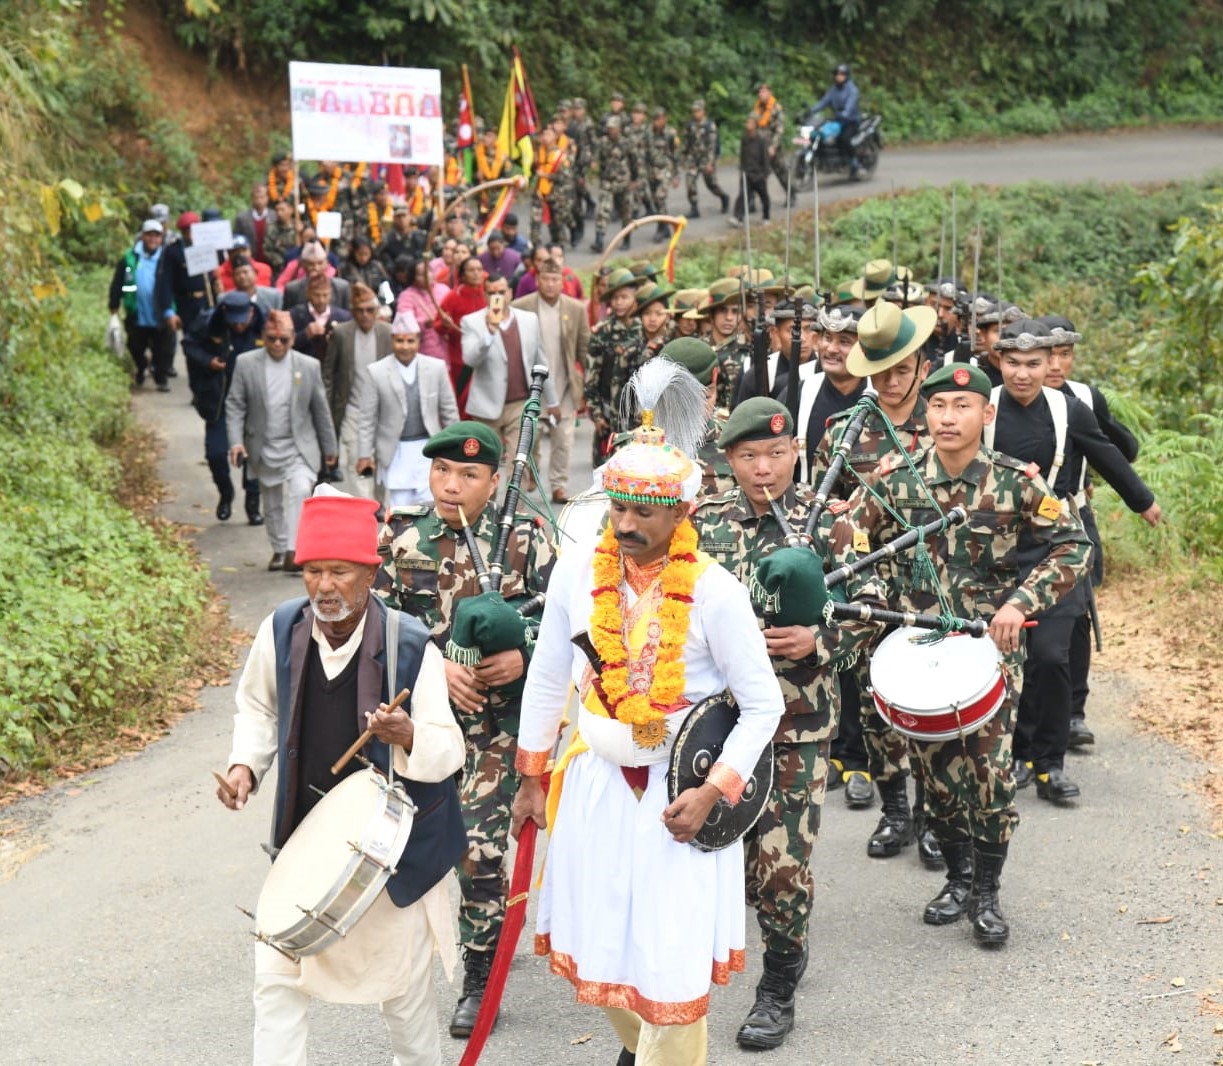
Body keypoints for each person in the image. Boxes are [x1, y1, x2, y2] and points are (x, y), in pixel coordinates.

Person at [510, 405, 784, 1065]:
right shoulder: (576, 576)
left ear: (681, 516)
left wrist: (714, 792)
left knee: (669, 957)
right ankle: (639, 1050)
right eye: (618, 509)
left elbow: (763, 704)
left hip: (678, 796)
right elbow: (547, 677)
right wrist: (530, 775)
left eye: (644, 513)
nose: (626, 525)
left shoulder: (716, 593)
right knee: (601, 945)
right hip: (594, 785)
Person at [829, 362, 1092, 945]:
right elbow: (848, 538)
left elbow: (1073, 547)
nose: (949, 417)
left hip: (989, 652)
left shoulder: (1014, 480)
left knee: (992, 779)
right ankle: (957, 877)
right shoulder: (896, 478)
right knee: (938, 780)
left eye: (962, 407)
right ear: (926, 413)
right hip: (917, 654)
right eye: (939, 406)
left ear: (986, 414)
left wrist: (1020, 603)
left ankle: (988, 894)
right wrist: (869, 589)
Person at [216, 487, 467, 1066]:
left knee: (404, 1001)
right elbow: (258, 707)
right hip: (309, 843)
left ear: (370, 573)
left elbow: (448, 749)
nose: (324, 586)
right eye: (313, 571)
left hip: (392, 853)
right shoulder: (281, 630)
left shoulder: (410, 646)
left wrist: (406, 735)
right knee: (275, 982)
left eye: (339, 572)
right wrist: (243, 766)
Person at [693, 398, 883, 1050]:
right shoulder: (700, 524)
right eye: (748, 456)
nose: (763, 467)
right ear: (728, 460)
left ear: (795, 454)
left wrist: (819, 638)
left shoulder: (829, 522)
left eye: (775, 454)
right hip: (715, 721)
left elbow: (874, 604)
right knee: (719, 854)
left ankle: (777, 983)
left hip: (797, 722)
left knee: (780, 865)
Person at [376, 422, 555, 1039]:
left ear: (495, 480)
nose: (452, 486)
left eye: (469, 475)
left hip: (499, 728)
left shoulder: (528, 540)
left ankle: (480, 975)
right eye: (442, 472)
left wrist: (524, 654)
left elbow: (568, 622)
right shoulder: (402, 540)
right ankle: (414, 958)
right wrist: (437, 665)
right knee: (418, 848)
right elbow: (379, 630)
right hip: (424, 724)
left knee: (479, 852)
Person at [985, 318, 1159, 802]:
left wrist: (1143, 502)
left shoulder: (1068, 409)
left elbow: (1107, 456)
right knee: (1008, 658)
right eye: (1013, 363)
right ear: (1000, 362)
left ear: (1049, 365)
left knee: (1052, 657)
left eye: (1034, 364)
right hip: (996, 551)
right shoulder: (985, 407)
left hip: (1058, 546)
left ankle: (1049, 762)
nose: (1023, 374)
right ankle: (1016, 754)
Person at [814, 301, 941, 864]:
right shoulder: (844, 433)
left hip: (934, 590)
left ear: (921, 364)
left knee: (934, 710)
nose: (890, 382)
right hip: (872, 595)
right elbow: (825, 515)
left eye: (901, 369)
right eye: (880, 371)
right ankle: (896, 813)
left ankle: (937, 818)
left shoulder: (944, 425)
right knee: (877, 707)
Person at [1039, 314, 1139, 750]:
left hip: (1074, 516)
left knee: (1077, 616)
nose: (1058, 364)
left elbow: (1121, 449)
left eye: (1065, 354)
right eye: (1051, 355)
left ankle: (1074, 710)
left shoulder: (1084, 397)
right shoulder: (1011, 396)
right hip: (1019, 521)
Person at [226, 310, 338, 572]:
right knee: (272, 501)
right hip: (263, 446)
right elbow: (234, 405)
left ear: (292, 339)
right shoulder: (245, 363)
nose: (277, 344)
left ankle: (294, 550)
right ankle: (278, 549)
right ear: (263, 337)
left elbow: (320, 409)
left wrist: (329, 446)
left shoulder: (308, 366)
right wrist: (235, 442)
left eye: (284, 339)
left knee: (301, 489)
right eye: (271, 338)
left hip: (298, 445)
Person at [357, 311, 460, 506]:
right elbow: (367, 419)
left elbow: (449, 411)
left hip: (428, 448)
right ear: (392, 340)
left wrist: (454, 447)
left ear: (418, 341)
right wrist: (364, 455)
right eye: (400, 341)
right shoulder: (376, 371)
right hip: (395, 451)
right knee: (400, 508)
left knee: (430, 504)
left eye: (410, 341)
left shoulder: (435, 368)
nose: (405, 347)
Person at [182, 290, 265, 525]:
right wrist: (208, 361)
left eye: (243, 320)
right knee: (215, 453)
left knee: (255, 455)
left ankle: (252, 501)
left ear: (250, 311)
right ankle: (225, 493)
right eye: (234, 321)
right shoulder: (208, 322)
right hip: (219, 400)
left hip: (253, 402)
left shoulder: (262, 322)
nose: (239, 326)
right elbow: (189, 344)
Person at [460, 271, 560, 462]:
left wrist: (553, 401)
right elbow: (470, 359)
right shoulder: (471, 322)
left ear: (510, 293)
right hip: (486, 407)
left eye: (501, 291)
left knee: (519, 462)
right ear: (485, 295)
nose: (497, 297)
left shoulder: (529, 320)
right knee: (486, 465)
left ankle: (516, 493)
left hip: (520, 404)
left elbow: (541, 360)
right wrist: (489, 334)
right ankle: (490, 493)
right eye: (491, 293)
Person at [512, 258, 590, 503]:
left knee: (563, 440)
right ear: (537, 281)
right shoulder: (520, 307)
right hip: (530, 388)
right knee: (529, 437)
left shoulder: (575, 309)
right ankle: (528, 477)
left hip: (564, 383)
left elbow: (583, 347)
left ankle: (559, 485)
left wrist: (587, 380)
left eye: (555, 279)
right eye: (545, 279)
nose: (549, 284)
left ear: (562, 282)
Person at [323, 282, 393, 493]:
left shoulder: (388, 333)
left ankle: (379, 505)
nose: (365, 315)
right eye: (359, 311)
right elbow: (328, 374)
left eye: (370, 310)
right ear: (352, 312)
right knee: (356, 460)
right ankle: (366, 506)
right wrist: (328, 409)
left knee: (383, 460)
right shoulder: (341, 333)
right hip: (351, 410)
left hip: (383, 410)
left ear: (377, 310)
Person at [583, 267, 646, 458]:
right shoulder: (602, 333)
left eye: (624, 297)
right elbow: (591, 377)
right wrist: (596, 415)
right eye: (615, 297)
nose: (619, 302)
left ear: (635, 297)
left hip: (640, 418)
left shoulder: (644, 329)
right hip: (609, 418)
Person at [108, 219, 177, 391]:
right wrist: (114, 303)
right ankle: (141, 367)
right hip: (137, 311)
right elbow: (118, 282)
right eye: (149, 235)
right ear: (143, 236)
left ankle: (161, 378)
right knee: (135, 346)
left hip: (161, 312)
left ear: (162, 238)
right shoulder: (129, 258)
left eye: (157, 235)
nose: (153, 239)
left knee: (164, 349)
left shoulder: (168, 258)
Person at [438, 255, 487, 405]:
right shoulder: (453, 297)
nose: (476, 273)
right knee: (462, 400)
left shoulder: (489, 294)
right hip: (460, 359)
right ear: (463, 274)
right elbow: (438, 324)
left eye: (479, 269)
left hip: (486, 357)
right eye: (471, 270)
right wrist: (446, 324)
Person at [590, 116, 640, 254]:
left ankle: (626, 239)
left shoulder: (627, 142)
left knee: (626, 211)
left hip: (624, 181)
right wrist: (593, 164)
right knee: (603, 210)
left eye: (613, 128)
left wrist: (634, 180)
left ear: (619, 128)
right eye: (609, 128)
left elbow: (634, 161)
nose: (611, 131)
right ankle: (599, 240)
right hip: (607, 181)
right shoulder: (603, 142)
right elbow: (595, 156)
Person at [808, 63, 862, 177]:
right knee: (823, 135)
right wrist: (811, 110)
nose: (839, 76)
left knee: (844, 139)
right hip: (838, 120)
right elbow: (823, 102)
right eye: (837, 74)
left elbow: (850, 104)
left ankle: (854, 162)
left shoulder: (852, 90)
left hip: (851, 121)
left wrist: (845, 113)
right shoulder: (833, 90)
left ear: (846, 76)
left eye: (842, 74)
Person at [290, 272, 353, 365]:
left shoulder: (344, 317)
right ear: (308, 293)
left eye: (325, 295)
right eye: (317, 295)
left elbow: (350, 347)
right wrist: (305, 334)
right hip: (302, 367)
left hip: (333, 371)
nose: (321, 300)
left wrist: (336, 341)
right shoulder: (294, 314)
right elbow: (286, 345)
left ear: (331, 293)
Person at [395, 258, 451, 362]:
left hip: (448, 347)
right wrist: (424, 323)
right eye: (421, 274)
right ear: (413, 278)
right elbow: (404, 323)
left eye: (428, 271)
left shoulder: (444, 289)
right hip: (424, 351)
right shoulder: (406, 296)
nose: (426, 275)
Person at [683, 99, 730, 218]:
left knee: (711, 184)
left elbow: (712, 146)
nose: (696, 113)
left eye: (698, 111)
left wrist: (710, 163)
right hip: (693, 159)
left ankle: (724, 197)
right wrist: (684, 157)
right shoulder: (690, 125)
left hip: (706, 159)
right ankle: (694, 208)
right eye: (694, 111)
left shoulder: (710, 126)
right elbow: (687, 143)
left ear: (703, 111)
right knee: (690, 181)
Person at [283, 241, 352, 312]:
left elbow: (347, 316)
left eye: (320, 263)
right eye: (311, 264)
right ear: (303, 264)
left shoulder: (341, 288)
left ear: (326, 263)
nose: (316, 267)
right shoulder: (292, 289)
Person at [729, 116, 772, 227]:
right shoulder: (745, 138)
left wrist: (765, 173)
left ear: (755, 125)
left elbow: (765, 157)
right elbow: (742, 155)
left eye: (751, 123)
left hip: (759, 174)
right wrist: (742, 169)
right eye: (747, 122)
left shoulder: (761, 140)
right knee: (743, 196)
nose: (748, 125)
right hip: (747, 173)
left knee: (764, 196)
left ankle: (766, 216)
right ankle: (738, 217)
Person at [751, 83, 791, 201]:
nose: (761, 94)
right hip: (759, 147)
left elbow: (779, 130)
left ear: (770, 93)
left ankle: (791, 194)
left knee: (781, 172)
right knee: (755, 173)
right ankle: (751, 200)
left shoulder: (776, 109)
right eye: (760, 92)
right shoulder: (757, 109)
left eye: (764, 92)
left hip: (772, 147)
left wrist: (773, 146)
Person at [233, 183, 271, 265]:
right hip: (249, 262)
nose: (259, 201)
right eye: (256, 198)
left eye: (262, 197)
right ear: (252, 199)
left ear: (267, 198)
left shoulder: (274, 216)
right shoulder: (242, 218)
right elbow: (237, 239)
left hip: (271, 262)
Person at [262, 198, 299, 277]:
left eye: (282, 210)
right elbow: (267, 250)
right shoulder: (271, 228)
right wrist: (281, 262)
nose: (279, 213)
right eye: (277, 210)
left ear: (291, 210)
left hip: (298, 267)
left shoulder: (299, 226)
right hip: (279, 269)